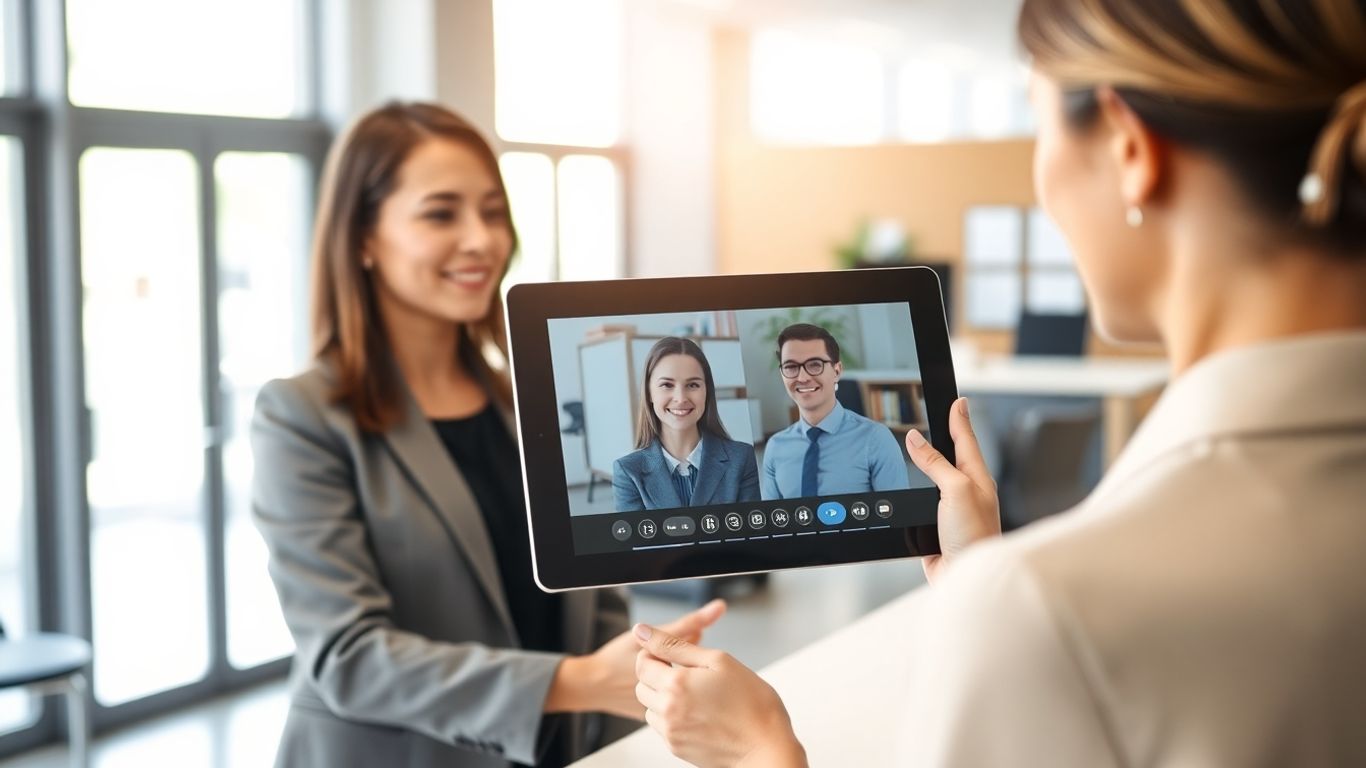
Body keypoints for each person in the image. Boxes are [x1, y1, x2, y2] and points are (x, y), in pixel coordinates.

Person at [630, 0, 1366, 765]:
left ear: (1127, 149)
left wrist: (761, 750)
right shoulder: (1035, 601)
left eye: (1039, 124)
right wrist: (988, 589)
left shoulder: (1054, 605)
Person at [250, 102, 725, 768]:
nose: (480, 239)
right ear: (363, 236)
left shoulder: (530, 399)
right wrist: (581, 683)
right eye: (441, 213)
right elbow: (347, 656)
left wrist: (638, 672)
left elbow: (595, 597)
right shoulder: (302, 416)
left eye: (493, 211)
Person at [759, 323, 910, 499]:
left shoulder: (876, 439)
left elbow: (899, 518)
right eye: (791, 367)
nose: (802, 377)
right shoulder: (775, 447)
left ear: (837, 371)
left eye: (815, 365)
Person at [612, 337, 760, 511]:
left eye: (693, 385)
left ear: (707, 391)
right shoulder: (628, 471)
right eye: (667, 385)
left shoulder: (742, 458)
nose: (681, 398)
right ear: (649, 393)